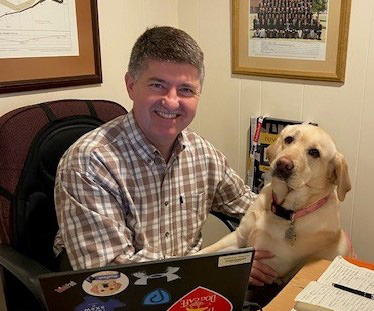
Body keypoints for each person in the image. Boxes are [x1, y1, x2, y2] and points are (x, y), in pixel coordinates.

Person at [53, 26, 278, 287]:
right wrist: (218, 270)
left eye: (185, 90)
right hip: (127, 298)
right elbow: (111, 275)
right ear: (130, 85)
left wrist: (310, 217)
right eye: (158, 85)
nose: (171, 102)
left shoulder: (201, 152)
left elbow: (248, 204)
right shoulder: (89, 162)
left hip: (192, 289)